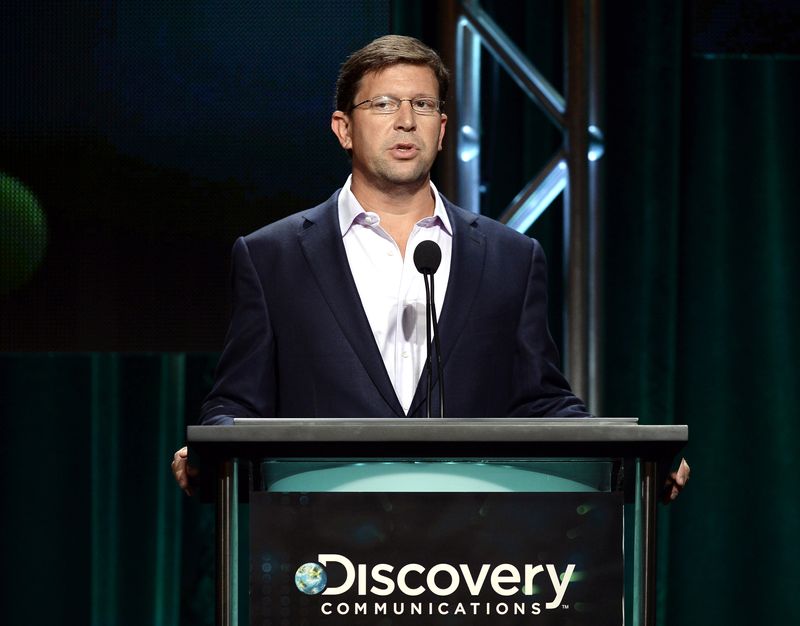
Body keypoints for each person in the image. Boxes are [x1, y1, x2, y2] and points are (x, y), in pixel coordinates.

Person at [172, 35, 689, 498]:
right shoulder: (272, 256)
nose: (405, 120)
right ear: (343, 128)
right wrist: (210, 447)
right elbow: (239, 401)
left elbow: (540, 401)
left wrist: (635, 460)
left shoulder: (510, 256)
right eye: (383, 104)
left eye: (422, 104)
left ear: (442, 130)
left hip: (468, 551)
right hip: (320, 544)